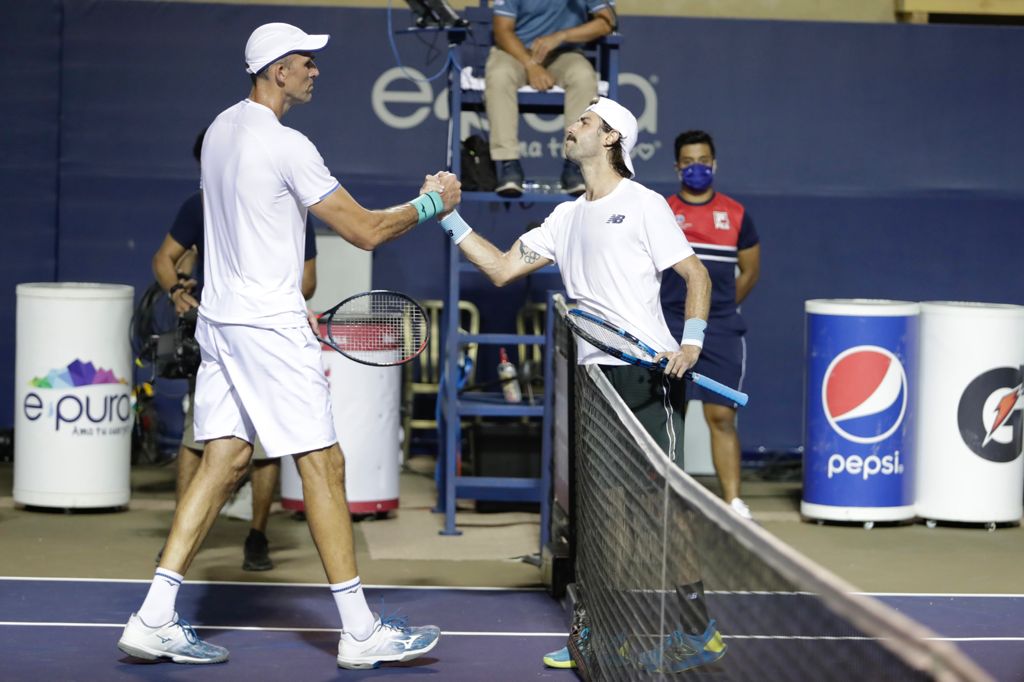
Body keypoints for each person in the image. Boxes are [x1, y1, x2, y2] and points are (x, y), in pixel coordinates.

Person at [117, 22, 459, 668]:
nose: (315, 70)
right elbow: (364, 231)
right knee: (324, 464)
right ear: (278, 71)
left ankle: (153, 617)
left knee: (224, 461)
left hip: (221, 323)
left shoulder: (221, 131)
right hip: (269, 327)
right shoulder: (287, 144)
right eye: (306, 61)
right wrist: (430, 204)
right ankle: (360, 632)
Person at [433, 97, 725, 673]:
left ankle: (699, 631)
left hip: (647, 377)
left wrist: (690, 343)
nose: (571, 126)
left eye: (585, 121)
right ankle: (604, 634)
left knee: (661, 512)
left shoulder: (644, 204)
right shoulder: (564, 218)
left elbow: (696, 275)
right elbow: (501, 268)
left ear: (612, 137)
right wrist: (447, 217)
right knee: (603, 516)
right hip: (594, 382)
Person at [151, 128, 320, 571]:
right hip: (220, 339)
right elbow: (164, 259)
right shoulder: (200, 206)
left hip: (267, 341)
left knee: (261, 448)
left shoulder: (291, 209)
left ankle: (256, 537)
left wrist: (262, 295)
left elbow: (307, 282)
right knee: (198, 440)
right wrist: (178, 291)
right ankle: (182, 538)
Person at [660, 130, 760, 521]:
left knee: (722, 417)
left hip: (720, 330)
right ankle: (663, 501)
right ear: (677, 167)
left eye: (703, 161)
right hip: (669, 326)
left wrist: (716, 309)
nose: (696, 168)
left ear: (714, 164)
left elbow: (749, 272)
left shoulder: (736, 214)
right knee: (670, 417)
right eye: (688, 162)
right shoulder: (662, 211)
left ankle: (733, 503)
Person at [486, 0, 617, 197]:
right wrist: (531, 65)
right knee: (499, 76)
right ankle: (508, 163)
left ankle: (574, 164)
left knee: (583, 77)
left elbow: (606, 23)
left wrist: (562, 36)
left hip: (565, 53)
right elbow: (502, 30)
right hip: (515, 52)